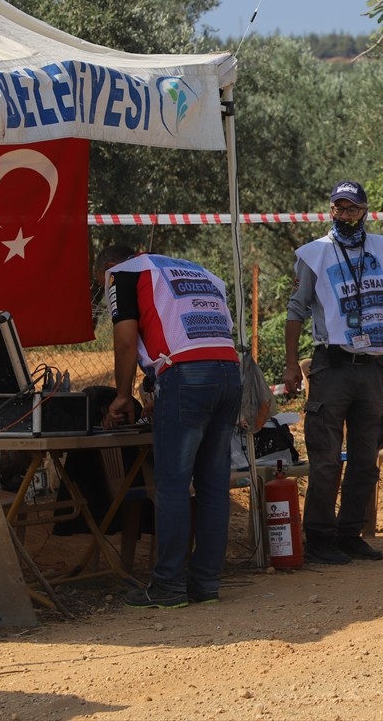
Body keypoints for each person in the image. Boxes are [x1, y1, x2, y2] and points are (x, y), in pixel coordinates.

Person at [96, 245, 243, 609]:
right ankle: (206, 582)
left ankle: (169, 585)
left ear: (109, 268)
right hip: (228, 372)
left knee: (173, 486)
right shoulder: (198, 271)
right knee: (212, 485)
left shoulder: (124, 273)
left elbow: (126, 339)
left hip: (186, 377)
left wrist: (122, 395)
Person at [282, 180, 383, 565]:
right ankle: (319, 538)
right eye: (338, 208)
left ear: (365, 211)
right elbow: (295, 310)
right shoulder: (315, 253)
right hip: (331, 367)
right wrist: (290, 364)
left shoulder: (382, 250)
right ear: (330, 210)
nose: (345, 215)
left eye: (352, 208)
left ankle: (350, 533)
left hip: (371, 369)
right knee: (325, 458)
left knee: (366, 458)